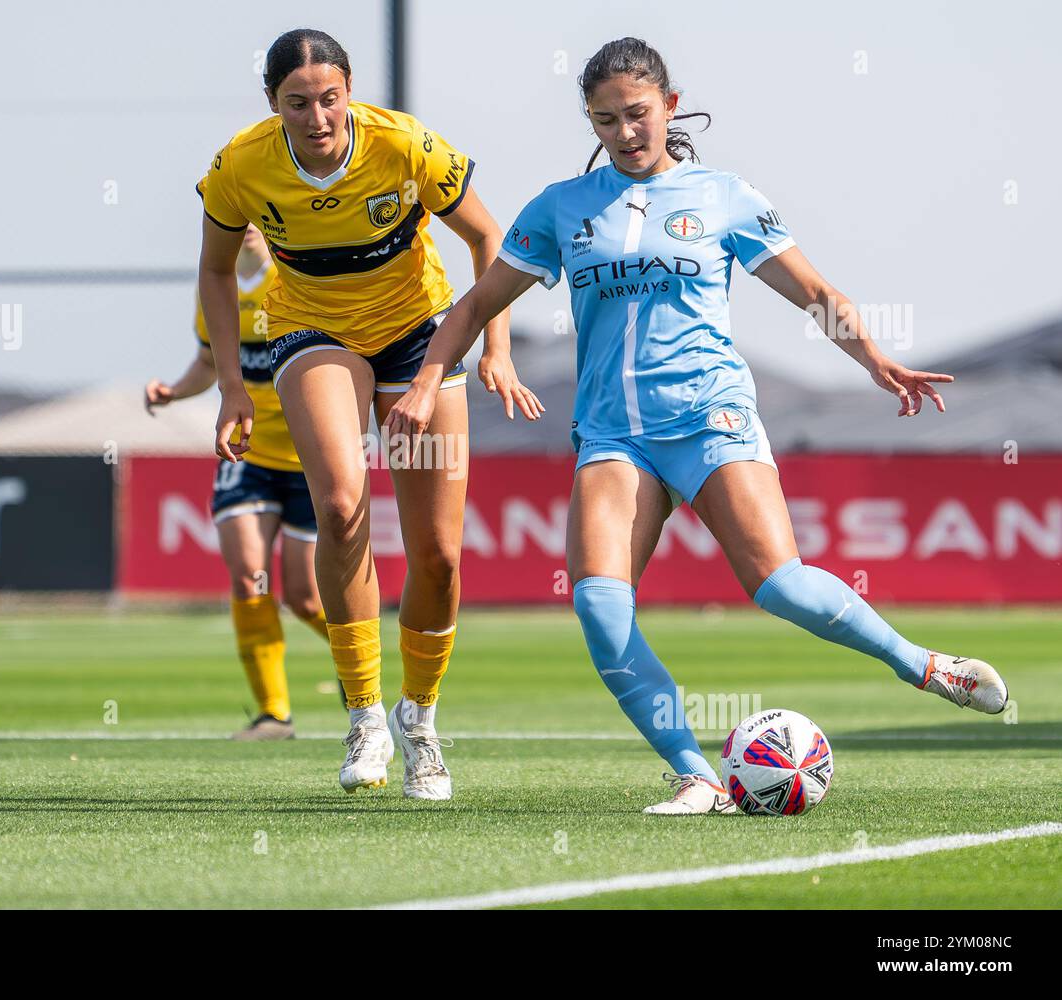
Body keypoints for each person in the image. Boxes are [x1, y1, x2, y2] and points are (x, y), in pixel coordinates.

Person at [386, 36, 1008, 814]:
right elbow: (477, 304)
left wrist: (877, 360)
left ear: (670, 106)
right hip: (613, 432)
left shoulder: (725, 196)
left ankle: (925, 666)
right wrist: (422, 381)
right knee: (598, 604)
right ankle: (697, 776)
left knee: (780, 586)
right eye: (605, 120)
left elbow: (814, 292)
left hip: (710, 413)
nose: (624, 132)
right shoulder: (560, 209)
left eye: (638, 114)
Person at [196, 28, 537, 799]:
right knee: (344, 504)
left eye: (329, 99)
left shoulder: (406, 145)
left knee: (439, 554)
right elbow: (217, 272)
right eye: (296, 103)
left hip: (419, 336)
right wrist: (230, 386)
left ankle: (419, 721)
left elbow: (491, 239)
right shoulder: (241, 167)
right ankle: (364, 717)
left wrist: (497, 349)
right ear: (272, 104)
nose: (316, 117)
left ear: (349, 93)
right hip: (312, 333)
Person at [146, 224, 330, 741]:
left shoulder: (298, 279)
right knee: (249, 576)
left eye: (258, 217)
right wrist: (174, 392)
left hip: (308, 456)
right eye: (239, 216)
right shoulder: (215, 285)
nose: (248, 228)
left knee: (305, 598)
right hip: (245, 454)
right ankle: (274, 714)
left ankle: (356, 659)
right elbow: (209, 364)